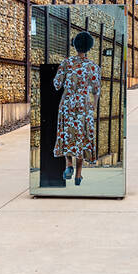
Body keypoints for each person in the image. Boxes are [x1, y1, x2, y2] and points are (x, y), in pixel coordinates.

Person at [53, 32, 101, 186]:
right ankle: (79, 176)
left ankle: (68, 165)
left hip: (67, 103)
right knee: (81, 136)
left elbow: (56, 84)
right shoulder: (93, 66)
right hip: (84, 105)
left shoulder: (66, 63)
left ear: (75, 45)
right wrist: (94, 103)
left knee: (67, 134)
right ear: (89, 47)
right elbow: (96, 89)